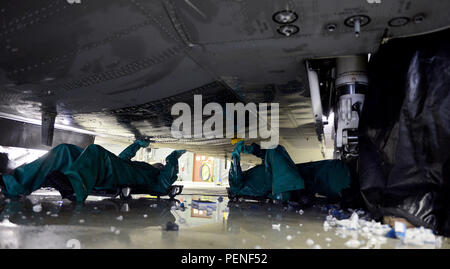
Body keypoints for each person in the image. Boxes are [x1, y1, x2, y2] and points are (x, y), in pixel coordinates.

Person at [0, 140, 186, 202]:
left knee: (96, 152)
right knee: (65, 150)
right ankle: (15, 184)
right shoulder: (143, 167)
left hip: (115, 178)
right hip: (115, 169)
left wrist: (173, 157)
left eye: (161, 166)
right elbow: (122, 159)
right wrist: (136, 144)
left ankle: (75, 187)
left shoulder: (156, 180)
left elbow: (166, 181)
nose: (158, 165)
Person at [228, 141, 352, 203]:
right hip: (288, 184)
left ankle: (285, 191)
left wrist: (252, 149)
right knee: (275, 149)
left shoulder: (246, 181)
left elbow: (268, 159)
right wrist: (235, 156)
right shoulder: (237, 186)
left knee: (315, 177)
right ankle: (284, 192)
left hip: (297, 180)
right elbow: (235, 172)